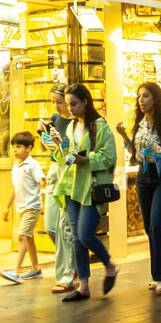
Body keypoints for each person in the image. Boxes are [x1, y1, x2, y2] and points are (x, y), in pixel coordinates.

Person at [52, 84, 119, 302]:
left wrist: (87, 159)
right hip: (72, 186)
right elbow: (67, 158)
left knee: (84, 234)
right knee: (75, 238)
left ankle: (109, 265)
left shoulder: (100, 126)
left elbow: (109, 157)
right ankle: (84, 286)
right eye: (68, 104)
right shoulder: (72, 127)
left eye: (73, 104)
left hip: (90, 188)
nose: (70, 108)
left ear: (85, 102)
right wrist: (58, 147)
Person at [116, 83, 161, 294]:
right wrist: (125, 137)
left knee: (157, 226)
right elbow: (135, 157)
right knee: (149, 229)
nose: (141, 101)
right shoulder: (139, 125)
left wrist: (156, 154)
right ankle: (157, 275)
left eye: (145, 96)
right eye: (138, 97)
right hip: (144, 178)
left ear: (155, 99)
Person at [39, 87, 77, 293]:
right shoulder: (54, 120)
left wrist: (60, 145)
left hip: (69, 171)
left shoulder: (76, 124)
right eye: (53, 101)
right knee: (51, 227)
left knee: (65, 227)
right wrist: (45, 139)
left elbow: (74, 151)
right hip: (55, 170)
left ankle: (67, 274)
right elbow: (51, 149)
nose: (57, 106)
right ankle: (74, 262)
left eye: (60, 102)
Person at [0, 132, 44, 283]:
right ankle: (36, 268)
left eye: (18, 146)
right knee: (29, 238)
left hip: (32, 207)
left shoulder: (33, 165)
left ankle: (16, 271)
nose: (15, 150)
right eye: (13, 147)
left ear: (29, 148)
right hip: (22, 207)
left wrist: (46, 185)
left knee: (23, 236)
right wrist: (6, 207)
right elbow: (14, 188)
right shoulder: (16, 166)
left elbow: (41, 180)